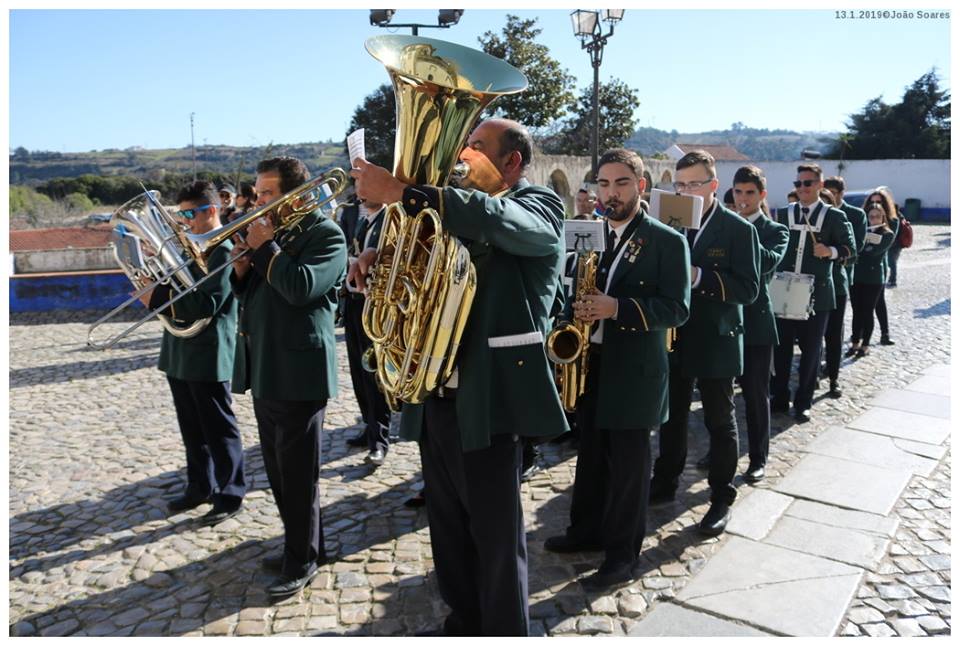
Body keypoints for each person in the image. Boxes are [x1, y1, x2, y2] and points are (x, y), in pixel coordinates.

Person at [349, 118, 568, 636]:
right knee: (447, 528)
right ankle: (463, 621)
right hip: (434, 392)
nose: (463, 154)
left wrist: (405, 192)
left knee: (495, 536)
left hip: (490, 398)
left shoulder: (539, 205)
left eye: (476, 147)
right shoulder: (454, 209)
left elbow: (503, 224)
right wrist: (377, 260)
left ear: (511, 162)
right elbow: (427, 271)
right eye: (465, 144)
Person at [543, 148, 690, 590]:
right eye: (603, 184)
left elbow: (678, 308)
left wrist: (616, 307)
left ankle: (623, 554)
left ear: (640, 186)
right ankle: (585, 530)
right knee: (591, 456)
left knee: (628, 468)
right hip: (593, 365)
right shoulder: (591, 235)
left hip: (637, 369)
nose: (611, 192)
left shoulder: (667, 240)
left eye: (621, 183)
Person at [229, 156, 347, 598]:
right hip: (266, 366)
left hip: (299, 370)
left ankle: (302, 559)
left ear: (293, 194)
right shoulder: (276, 234)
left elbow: (301, 287)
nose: (256, 202)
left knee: (298, 473)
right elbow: (258, 292)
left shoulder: (325, 234)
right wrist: (243, 269)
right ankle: (304, 544)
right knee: (279, 469)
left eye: (266, 194)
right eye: (256, 193)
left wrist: (264, 249)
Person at [648, 150, 761, 537]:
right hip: (674, 336)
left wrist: (698, 277)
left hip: (716, 338)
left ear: (713, 186)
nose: (686, 191)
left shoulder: (738, 229)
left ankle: (720, 496)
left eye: (694, 184)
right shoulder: (670, 223)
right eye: (680, 185)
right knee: (672, 416)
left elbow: (748, 289)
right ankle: (664, 482)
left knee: (719, 420)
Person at [148, 180, 245, 525]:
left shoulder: (223, 247)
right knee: (191, 428)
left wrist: (157, 300)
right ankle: (199, 486)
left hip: (208, 351)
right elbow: (173, 285)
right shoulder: (184, 245)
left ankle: (231, 493)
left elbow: (209, 302)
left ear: (213, 209)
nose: (186, 220)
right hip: (179, 350)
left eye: (192, 213)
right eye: (182, 214)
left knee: (218, 429)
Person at [769, 164, 855, 423]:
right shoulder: (784, 214)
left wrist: (831, 251)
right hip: (784, 289)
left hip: (818, 294)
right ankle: (780, 397)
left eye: (807, 183)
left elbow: (852, 250)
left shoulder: (835, 217)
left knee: (811, 351)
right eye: (798, 184)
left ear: (819, 186)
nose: (802, 188)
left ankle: (803, 402)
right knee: (781, 349)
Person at [730, 166, 788, 482]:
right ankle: (721, 450)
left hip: (756, 323)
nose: (742, 199)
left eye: (749, 193)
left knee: (755, 394)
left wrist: (740, 233)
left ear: (761, 195)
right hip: (724, 322)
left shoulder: (775, 230)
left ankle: (758, 457)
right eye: (738, 192)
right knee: (720, 395)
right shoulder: (725, 226)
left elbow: (766, 262)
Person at [342, 198, 391, 465]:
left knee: (374, 376)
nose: (360, 194)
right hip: (353, 303)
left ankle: (380, 439)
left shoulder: (388, 219)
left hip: (375, 306)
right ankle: (369, 426)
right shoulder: (363, 221)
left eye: (365, 185)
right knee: (358, 372)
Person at [822, 176, 867, 397]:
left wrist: (831, 251)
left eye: (833, 192)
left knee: (833, 334)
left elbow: (853, 250)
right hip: (812, 282)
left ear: (840, 193)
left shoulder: (855, 215)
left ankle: (833, 377)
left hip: (838, 280)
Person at [848, 201, 896, 357]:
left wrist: (862, 247)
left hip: (874, 279)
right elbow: (854, 249)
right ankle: (855, 343)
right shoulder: (862, 231)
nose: (874, 219)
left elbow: (873, 253)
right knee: (857, 311)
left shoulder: (887, 234)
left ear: (882, 217)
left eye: (877, 216)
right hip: (857, 276)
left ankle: (865, 345)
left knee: (867, 311)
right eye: (871, 216)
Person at [863, 189, 900, 345]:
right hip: (864, 265)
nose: (875, 204)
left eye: (878, 201)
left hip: (879, 263)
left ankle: (885, 332)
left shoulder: (892, 220)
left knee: (880, 300)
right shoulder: (865, 218)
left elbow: (885, 243)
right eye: (872, 201)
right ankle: (860, 334)